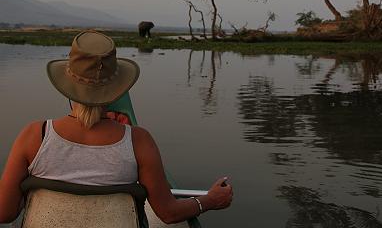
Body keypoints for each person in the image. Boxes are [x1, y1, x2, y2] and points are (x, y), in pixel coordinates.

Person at [0, 30, 233, 224]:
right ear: (116, 89)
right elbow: (168, 213)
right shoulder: (139, 141)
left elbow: (5, 213)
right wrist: (209, 200)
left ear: (68, 85)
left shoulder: (34, 135)